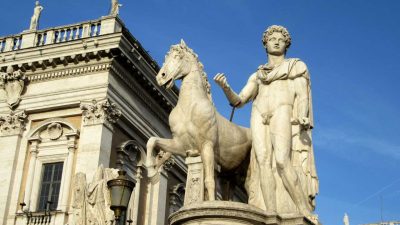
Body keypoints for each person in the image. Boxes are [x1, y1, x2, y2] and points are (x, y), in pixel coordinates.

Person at [214, 25, 317, 216]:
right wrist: (225, 87)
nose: (276, 41)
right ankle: (269, 213)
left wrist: (302, 114)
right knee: (262, 163)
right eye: (272, 39)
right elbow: (238, 101)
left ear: (286, 45)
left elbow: (303, 95)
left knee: (281, 160)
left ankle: (303, 210)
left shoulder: (296, 67)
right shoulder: (258, 75)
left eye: (280, 39)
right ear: (265, 44)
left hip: (282, 112)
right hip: (259, 114)